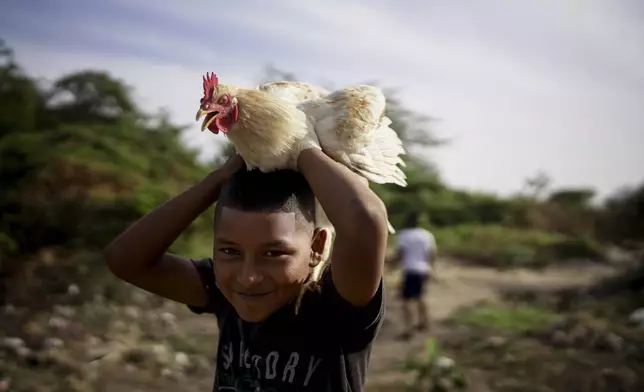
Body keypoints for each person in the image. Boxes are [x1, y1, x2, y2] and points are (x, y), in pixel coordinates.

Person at [104, 147, 390, 391]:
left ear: (316, 247)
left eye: (274, 253)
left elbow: (364, 219)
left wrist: (300, 145)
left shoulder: (337, 307)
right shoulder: (221, 292)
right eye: (230, 251)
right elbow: (124, 260)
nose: (248, 277)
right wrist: (217, 181)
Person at [392, 211, 437, 340]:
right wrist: (431, 268)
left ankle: (408, 329)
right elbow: (431, 254)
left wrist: (391, 265)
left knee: (407, 300)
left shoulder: (404, 235)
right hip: (424, 270)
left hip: (410, 270)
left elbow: (401, 253)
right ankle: (424, 322)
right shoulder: (428, 235)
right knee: (420, 296)